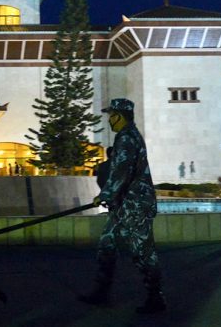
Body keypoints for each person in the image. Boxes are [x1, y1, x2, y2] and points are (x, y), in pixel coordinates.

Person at [78, 98, 166, 314]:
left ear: (119, 116)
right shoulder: (126, 136)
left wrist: (106, 194)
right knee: (107, 246)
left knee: (143, 253)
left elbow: (122, 170)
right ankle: (101, 292)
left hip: (135, 205)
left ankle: (156, 298)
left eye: (111, 116)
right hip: (123, 205)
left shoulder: (127, 137)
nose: (109, 120)